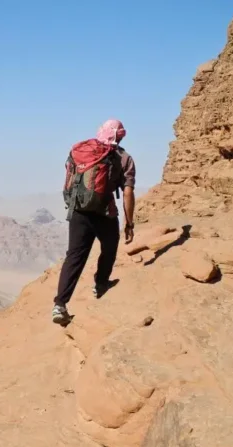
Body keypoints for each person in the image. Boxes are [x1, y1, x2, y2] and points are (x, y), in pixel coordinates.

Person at [52, 119, 136, 325]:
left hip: (78, 210)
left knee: (74, 256)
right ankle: (100, 283)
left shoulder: (81, 150)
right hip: (104, 212)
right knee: (110, 246)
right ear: (120, 135)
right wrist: (129, 222)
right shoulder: (123, 158)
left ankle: (60, 305)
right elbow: (127, 192)